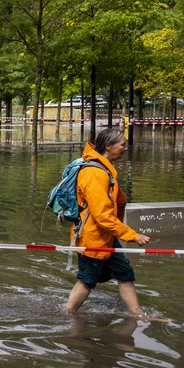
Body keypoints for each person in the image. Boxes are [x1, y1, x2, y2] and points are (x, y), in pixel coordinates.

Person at [65, 128, 150, 316]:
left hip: (107, 236)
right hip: (93, 238)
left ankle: (138, 315)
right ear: (108, 146)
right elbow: (102, 215)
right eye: (122, 144)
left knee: (124, 273)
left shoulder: (104, 169)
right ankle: (67, 314)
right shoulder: (95, 173)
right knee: (87, 280)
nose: (125, 148)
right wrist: (132, 235)